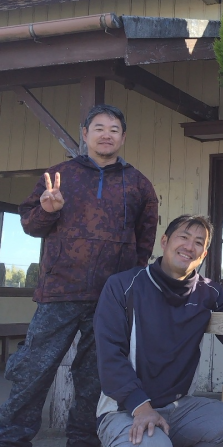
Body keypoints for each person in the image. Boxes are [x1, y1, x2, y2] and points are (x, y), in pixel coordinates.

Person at [0, 104, 158, 447]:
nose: (106, 135)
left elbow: (144, 242)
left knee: (94, 377)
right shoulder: (59, 175)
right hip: (59, 292)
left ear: (123, 137)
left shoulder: (139, 184)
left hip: (110, 298)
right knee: (33, 370)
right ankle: (12, 438)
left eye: (114, 129)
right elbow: (29, 224)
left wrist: (129, 288)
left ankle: (84, 440)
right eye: (98, 128)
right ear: (85, 134)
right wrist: (46, 210)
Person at [93, 214, 223, 447]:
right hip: (125, 409)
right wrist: (141, 407)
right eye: (183, 237)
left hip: (179, 408)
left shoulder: (209, 291)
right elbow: (109, 357)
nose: (189, 247)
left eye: (198, 243)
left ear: (203, 254)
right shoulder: (123, 285)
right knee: (156, 444)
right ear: (164, 241)